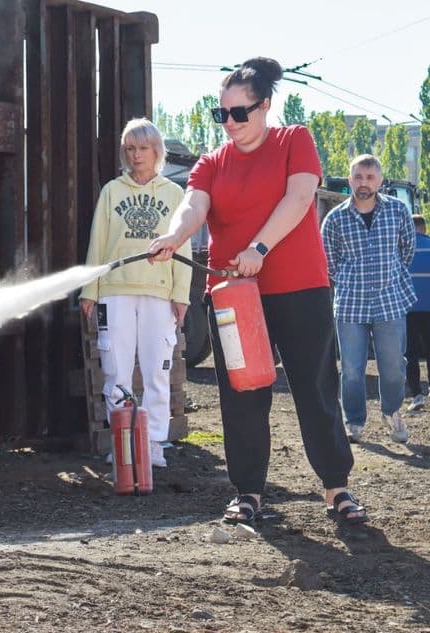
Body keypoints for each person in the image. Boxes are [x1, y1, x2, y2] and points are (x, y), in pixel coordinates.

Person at [148, 57, 367, 525]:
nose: (229, 123)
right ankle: (247, 492)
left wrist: (259, 247)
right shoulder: (212, 161)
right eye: (220, 114)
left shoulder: (294, 140)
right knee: (241, 394)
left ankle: (337, 489)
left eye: (238, 113)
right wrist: (174, 235)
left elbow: (300, 197)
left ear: (265, 106)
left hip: (300, 288)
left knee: (314, 387)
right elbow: (193, 204)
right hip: (233, 296)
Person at [79, 118, 191, 468]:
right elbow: (98, 241)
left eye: (143, 148)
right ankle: (123, 443)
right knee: (117, 370)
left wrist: (181, 294)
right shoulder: (112, 191)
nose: (136, 155)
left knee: (157, 371)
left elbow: (183, 248)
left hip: (159, 293)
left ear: (157, 151)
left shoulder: (174, 195)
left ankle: (154, 442)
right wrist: (90, 288)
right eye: (130, 148)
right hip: (115, 291)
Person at [321, 154, 414, 444]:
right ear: (350, 180)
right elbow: (328, 261)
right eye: (359, 177)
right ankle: (355, 422)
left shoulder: (398, 212)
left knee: (394, 366)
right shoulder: (334, 218)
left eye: (370, 177)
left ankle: (391, 411)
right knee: (351, 370)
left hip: (390, 302)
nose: (364, 183)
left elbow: (406, 250)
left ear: (380, 181)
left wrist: (390, 275)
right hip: (350, 305)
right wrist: (351, 280)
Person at [405, 214, 430, 412]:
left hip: (408, 310)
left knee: (410, 353)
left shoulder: (403, 251)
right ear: (424, 228)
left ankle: (416, 395)